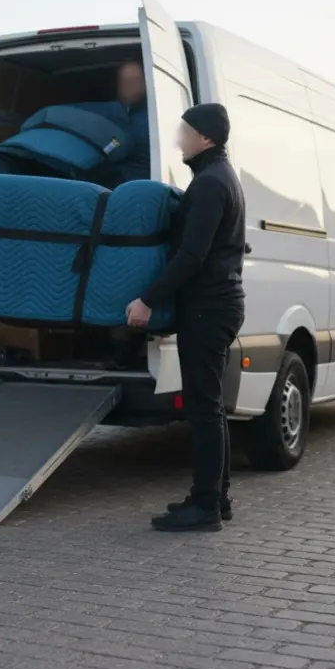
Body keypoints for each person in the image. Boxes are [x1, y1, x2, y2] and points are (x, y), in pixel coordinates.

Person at [125, 103, 246, 532]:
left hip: (208, 307)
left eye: (186, 131)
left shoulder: (211, 184)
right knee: (210, 406)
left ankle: (206, 506)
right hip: (215, 305)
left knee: (203, 408)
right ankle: (215, 498)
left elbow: (191, 255)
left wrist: (147, 300)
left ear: (207, 139)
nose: (179, 137)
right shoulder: (217, 177)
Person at [115, 60, 152, 184]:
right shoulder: (125, 111)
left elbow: (116, 146)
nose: (129, 86)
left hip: (138, 184)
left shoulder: (147, 118)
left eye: (134, 81)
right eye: (124, 81)